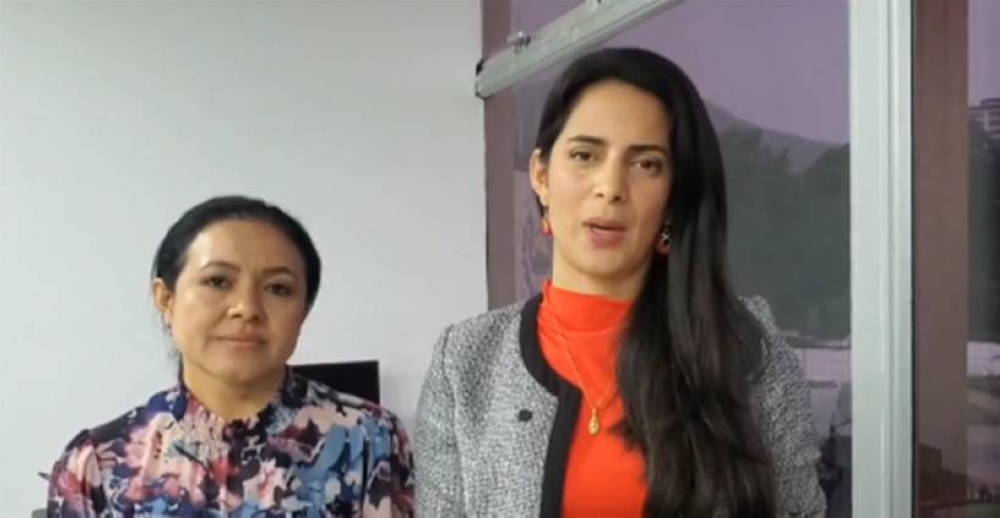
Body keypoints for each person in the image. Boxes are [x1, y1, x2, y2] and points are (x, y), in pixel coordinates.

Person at [414, 48, 825, 517]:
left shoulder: (745, 347)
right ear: (541, 175)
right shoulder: (465, 361)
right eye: (584, 155)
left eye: (646, 163)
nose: (610, 187)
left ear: (673, 196)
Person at [46, 195, 413, 517]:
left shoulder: (369, 439)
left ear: (303, 311)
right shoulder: (97, 464)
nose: (247, 308)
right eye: (218, 281)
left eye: (278, 288)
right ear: (166, 299)